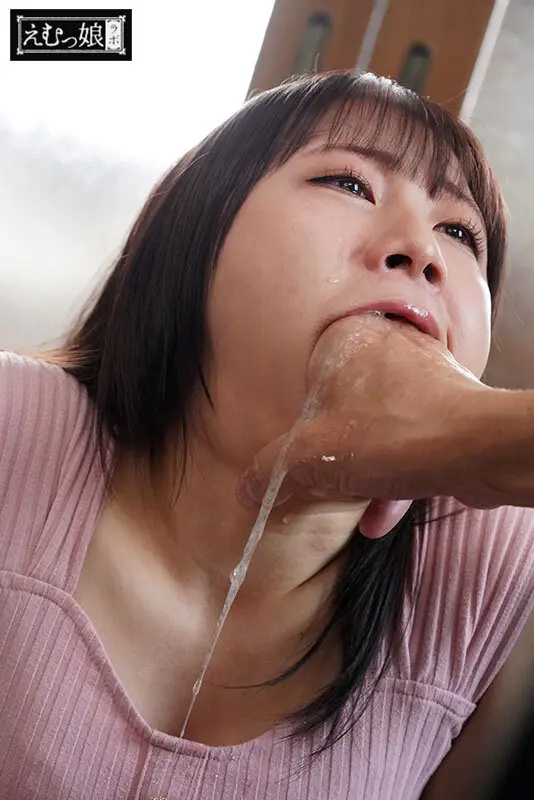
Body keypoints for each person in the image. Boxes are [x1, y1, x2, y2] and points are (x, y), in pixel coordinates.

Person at [0, 70, 532, 800]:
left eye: (460, 232)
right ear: (192, 242)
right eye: (349, 183)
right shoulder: (15, 428)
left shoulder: (494, 573)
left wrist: (479, 434)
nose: (421, 249)